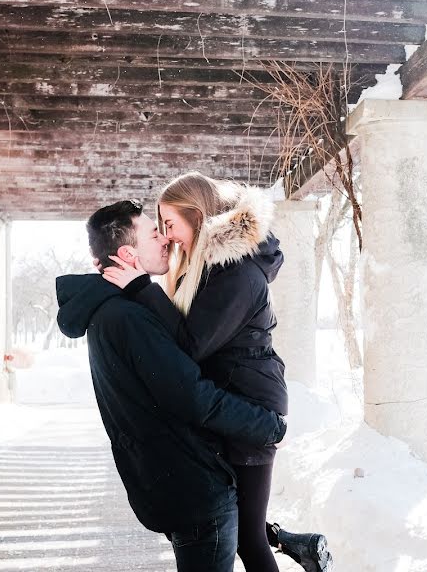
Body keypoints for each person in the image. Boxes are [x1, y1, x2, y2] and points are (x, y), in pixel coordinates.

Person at [100, 174, 333, 572]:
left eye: (170, 225)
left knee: (248, 539)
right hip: (227, 403)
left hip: (249, 412)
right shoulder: (210, 268)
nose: (168, 237)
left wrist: (142, 288)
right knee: (237, 519)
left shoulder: (239, 274)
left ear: (198, 216)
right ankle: (297, 544)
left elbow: (188, 346)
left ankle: (294, 546)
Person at [56, 200, 287, 572]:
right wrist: (265, 425)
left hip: (175, 486)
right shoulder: (126, 317)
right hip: (194, 493)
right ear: (129, 253)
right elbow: (192, 395)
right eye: (153, 232)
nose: (164, 239)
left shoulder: (108, 312)